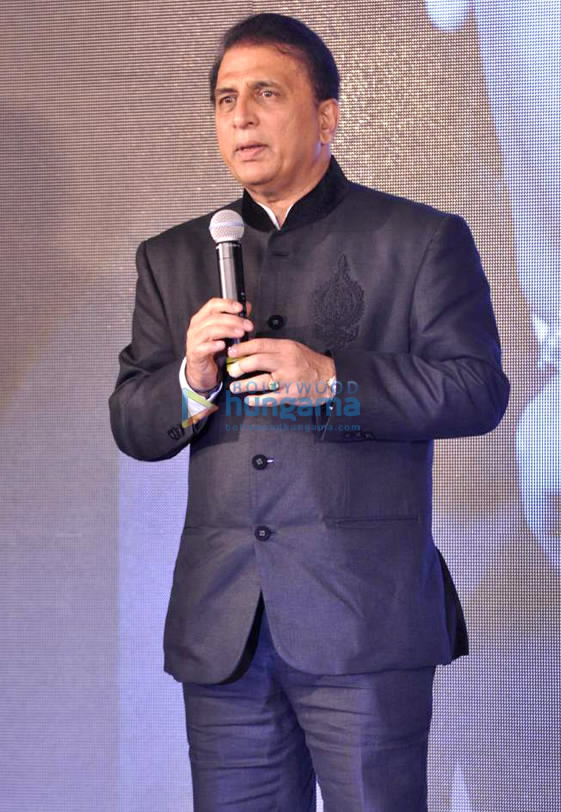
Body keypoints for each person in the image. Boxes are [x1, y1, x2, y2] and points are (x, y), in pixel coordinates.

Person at [109, 12, 509, 811]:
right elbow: (133, 423)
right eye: (225, 100)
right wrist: (190, 379)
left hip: (364, 623)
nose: (241, 117)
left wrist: (333, 381)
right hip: (223, 633)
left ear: (326, 116)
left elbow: (476, 390)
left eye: (266, 93)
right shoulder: (173, 257)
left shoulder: (418, 239)